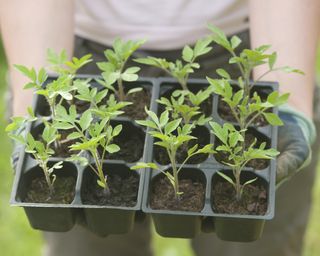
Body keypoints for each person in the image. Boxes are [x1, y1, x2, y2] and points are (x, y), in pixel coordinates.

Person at [0, 0, 319, 255]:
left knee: (255, 245)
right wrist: (40, 102)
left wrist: (290, 103)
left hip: (247, 59)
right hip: (81, 64)